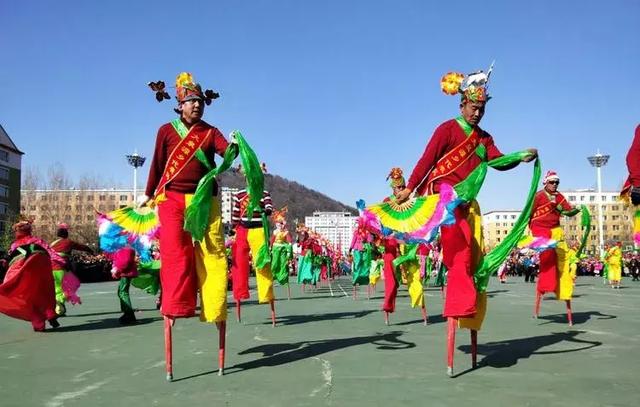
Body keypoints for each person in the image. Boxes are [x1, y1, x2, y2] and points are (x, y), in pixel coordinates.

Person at [394, 65, 537, 375]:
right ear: (462, 104)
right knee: (458, 260)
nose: (477, 114)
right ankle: (459, 307)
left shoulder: (484, 137)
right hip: (446, 206)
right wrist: (410, 188)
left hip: (470, 207)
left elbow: (497, 161)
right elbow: (426, 160)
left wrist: (519, 157)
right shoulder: (446, 129)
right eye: (474, 108)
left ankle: (470, 312)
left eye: (482, 109)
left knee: (474, 264)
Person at [142, 72, 238, 381]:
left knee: (213, 255)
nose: (196, 105)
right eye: (190, 101)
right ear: (180, 105)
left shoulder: (211, 132)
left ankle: (214, 307)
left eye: (199, 101)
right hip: (171, 200)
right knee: (176, 255)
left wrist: (236, 148)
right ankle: (177, 306)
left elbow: (228, 153)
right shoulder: (165, 131)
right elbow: (157, 165)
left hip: (204, 200)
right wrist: (147, 195)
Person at [529, 171, 582, 325]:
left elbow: (568, 210)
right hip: (541, 233)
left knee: (564, 265)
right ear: (545, 182)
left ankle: (564, 290)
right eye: (552, 182)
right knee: (548, 258)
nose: (554, 185)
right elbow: (529, 214)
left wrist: (578, 209)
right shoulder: (538, 196)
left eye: (557, 182)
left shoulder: (560, 197)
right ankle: (546, 286)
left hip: (556, 232)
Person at [0, 220, 62, 331]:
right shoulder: (37, 241)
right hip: (40, 266)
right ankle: (50, 314)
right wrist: (61, 261)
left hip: (24, 270)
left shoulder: (15, 245)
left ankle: (38, 323)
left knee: (27, 296)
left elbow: (9, 259)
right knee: (44, 291)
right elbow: (50, 252)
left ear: (18, 232)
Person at [230, 181, 276, 325]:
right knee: (239, 265)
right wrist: (232, 230)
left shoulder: (264, 193)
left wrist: (266, 211)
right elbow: (236, 215)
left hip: (259, 230)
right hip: (242, 230)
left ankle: (266, 295)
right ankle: (239, 292)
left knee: (262, 264)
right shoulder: (239, 194)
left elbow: (269, 207)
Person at [49, 223, 93, 316]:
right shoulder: (68, 242)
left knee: (57, 289)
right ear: (66, 234)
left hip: (51, 268)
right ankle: (60, 301)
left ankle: (60, 309)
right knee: (73, 285)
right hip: (61, 268)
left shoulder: (52, 244)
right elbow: (81, 247)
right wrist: (90, 250)